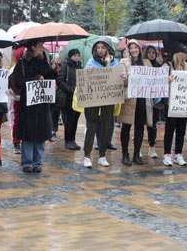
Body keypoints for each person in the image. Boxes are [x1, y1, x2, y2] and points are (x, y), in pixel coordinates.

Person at [10, 40, 56, 173]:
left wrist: (53, 70)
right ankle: (27, 162)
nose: (43, 48)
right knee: (28, 134)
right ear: (33, 47)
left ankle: (38, 162)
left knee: (40, 134)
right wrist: (34, 78)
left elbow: (51, 78)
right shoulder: (23, 63)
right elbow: (17, 81)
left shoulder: (43, 61)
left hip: (42, 104)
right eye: (40, 46)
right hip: (28, 105)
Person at [81, 39, 121, 168]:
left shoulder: (115, 62)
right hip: (92, 100)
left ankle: (102, 155)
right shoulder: (90, 62)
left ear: (108, 49)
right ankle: (87, 155)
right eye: (97, 48)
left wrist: (108, 64)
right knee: (91, 127)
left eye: (103, 47)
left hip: (108, 99)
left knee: (105, 127)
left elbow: (115, 77)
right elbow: (85, 78)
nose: (100, 50)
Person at [119, 40, 153, 166]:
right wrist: (125, 78)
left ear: (139, 49)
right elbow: (122, 82)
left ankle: (136, 154)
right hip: (129, 99)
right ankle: (125, 154)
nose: (134, 50)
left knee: (139, 127)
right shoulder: (124, 62)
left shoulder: (146, 63)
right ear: (128, 50)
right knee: (126, 127)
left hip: (142, 99)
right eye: (131, 48)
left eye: (136, 47)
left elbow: (153, 79)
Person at [163, 45, 187, 167]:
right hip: (171, 103)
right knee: (170, 130)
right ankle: (167, 154)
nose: (186, 56)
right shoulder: (167, 65)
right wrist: (166, 80)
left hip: (184, 103)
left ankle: (178, 153)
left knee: (181, 130)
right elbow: (159, 82)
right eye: (184, 53)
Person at [57, 48, 82, 151]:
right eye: (75, 55)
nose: (77, 57)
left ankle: (73, 140)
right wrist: (70, 90)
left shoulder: (80, 66)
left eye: (78, 55)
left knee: (75, 120)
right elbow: (59, 81)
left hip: (78, 98)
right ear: (70, 56)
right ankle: (68, 141)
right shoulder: (65, 65)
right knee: (69, 121)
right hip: (67, 98)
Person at [145, 46, 164, 159]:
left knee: (153, 125)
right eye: (149, 52)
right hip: (144, 99)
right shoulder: (142, 64)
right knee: (142, 124)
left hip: (156, 100)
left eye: (153, 52)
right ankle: (138, 147)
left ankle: (152, 147)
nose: (151, 54)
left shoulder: (159, 65)